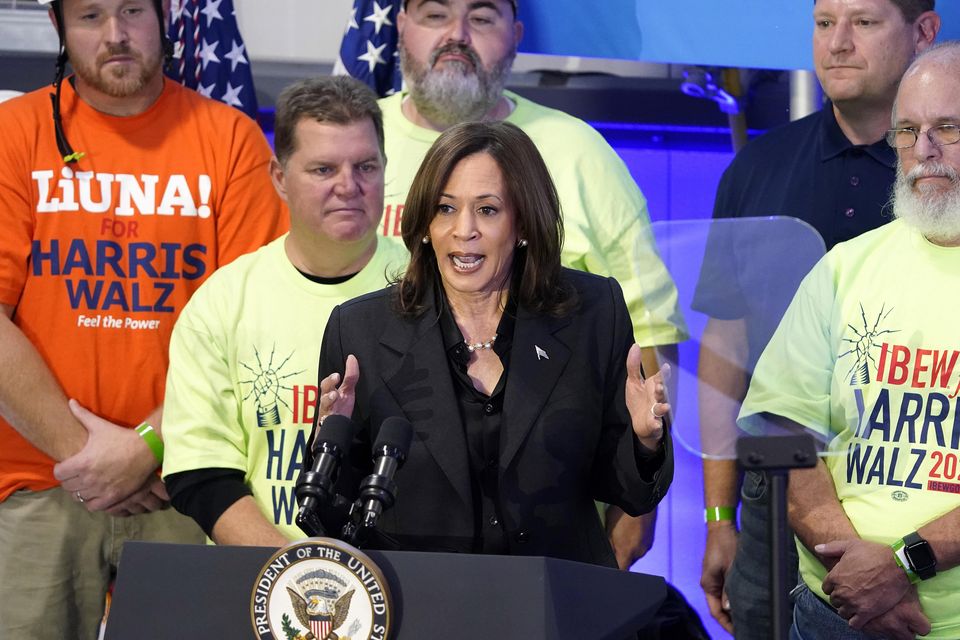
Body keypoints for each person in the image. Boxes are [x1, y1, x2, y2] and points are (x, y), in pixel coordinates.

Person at [0, 0, 286, 637]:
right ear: (57, 28)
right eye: (90, 16)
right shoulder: (12, 134)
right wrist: (94, 458)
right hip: (38, 485)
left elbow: (254, 324)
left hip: (186, 486)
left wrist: (150, 447)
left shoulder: (232, 140)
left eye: (132, 10)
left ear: (165, 19)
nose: (115, 35)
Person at [380, 0, 685, 570]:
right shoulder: (354, 150)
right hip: (408, 551)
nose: (457, 36)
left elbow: (648, 339)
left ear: (516, 35)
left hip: (553, 538)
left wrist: (637, 512)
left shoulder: (580, 153)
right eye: (435, 15)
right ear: (400, 27)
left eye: (482, 17)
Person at [309, 120, 672, 566]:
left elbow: (628, 493)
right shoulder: (359, 330)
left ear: (522, 224)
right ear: (424, 225)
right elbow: (332, 519)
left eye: (487, 210)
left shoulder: (593, 313)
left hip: (554, 604)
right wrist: (328, 447)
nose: (464, 230)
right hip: (421, 604)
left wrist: (644, 440)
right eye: (445, 209)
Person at [696, 1, 939, 636]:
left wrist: (894, 567)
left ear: (924, 32)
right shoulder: (755, 170)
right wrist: (719, 518)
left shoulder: (939, 176)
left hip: (919, 502)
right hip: (775, 497)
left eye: (863, 22)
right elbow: (725, 353)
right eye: (824, 22)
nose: (837, 43)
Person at [161, 76, 408, 546]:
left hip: (406, 577)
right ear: (279, 177)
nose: (348, 186)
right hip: (258, 578)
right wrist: (294, 570)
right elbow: (201, 472)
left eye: (366, 167)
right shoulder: (224, 302)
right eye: (322, 169)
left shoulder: (430, 291)